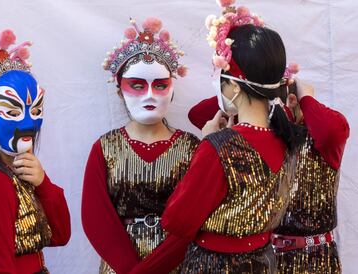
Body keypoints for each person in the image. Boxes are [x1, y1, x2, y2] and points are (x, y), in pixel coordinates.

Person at [129, 1, 307, 273]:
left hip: (215, 265)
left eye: (220, 78)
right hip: (263, 261)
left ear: (233, 87)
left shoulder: (220, 147)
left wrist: (205, 144)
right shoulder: (288, 138)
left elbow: (177, 220)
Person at [81, 17, 200, 274]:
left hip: (177, 265)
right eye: (137, 85)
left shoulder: (191, 148)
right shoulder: (105, 148)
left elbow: (195, 216)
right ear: (119, 90)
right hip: (121, 266)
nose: (149, 95)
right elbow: (96, 219)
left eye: (160, 85)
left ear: (172, 88)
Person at [0, 29, 71, 274]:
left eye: (36, 110)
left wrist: (43, 183)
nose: (29, 123)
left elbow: (60, 235)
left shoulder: (14, 168)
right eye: (13, 111)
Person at [272, 80, 349, 273]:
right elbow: (198, 115)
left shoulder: (323, 143)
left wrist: (306, 97)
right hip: (270, 258)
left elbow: (331, 130)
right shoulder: (271, 137)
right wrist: (243, 89)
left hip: (315, 259)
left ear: (291, 100)